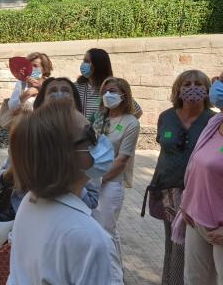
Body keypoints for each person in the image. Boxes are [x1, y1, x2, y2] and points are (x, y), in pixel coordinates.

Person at [7, 99, 122, 284]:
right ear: (64, 154)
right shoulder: (91, 241)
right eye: (90, 134)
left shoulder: (31, 201)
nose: (100, 138)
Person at [149, 70, 214, 285]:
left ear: (207, 90)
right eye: (187, 84)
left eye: (198, 83)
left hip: (199, 193)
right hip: (168, 189)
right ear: (178, 89)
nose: (192, 87)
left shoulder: (213, 121)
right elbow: (163, 147)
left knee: (188, 247)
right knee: (172, 243)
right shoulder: (166, 117)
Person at [0, 77, 99, 212]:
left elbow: (92, 201)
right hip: (23, 215)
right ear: (40, 104)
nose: (59, 94)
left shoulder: (87, 141)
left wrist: (73, 178)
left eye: (65, 90)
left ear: (76, 105)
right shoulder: (27, 134)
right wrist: (13, 173)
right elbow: (1, 179)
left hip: (64, 221)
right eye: (52, 91)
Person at [176, 74, 223, 284]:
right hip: (196, 218)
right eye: (219, 80)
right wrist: (187, 203)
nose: (217, 86)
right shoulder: (215, 122)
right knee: (195, 279)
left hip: (220, 229)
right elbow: (197, 167)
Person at [91, 77, 140, 265]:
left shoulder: (130, 122)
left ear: (123, 95)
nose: (107, 95)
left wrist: (99, 179)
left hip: (110, 183)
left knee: (107, 230)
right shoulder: (99, 118)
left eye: (112, 91)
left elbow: (122, 159)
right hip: (93, 180)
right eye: (105, 91)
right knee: (95, 228)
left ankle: (115, 273)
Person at [75, 48, 142, 121]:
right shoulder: (76, 87)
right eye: (83, 61)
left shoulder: (110, 89)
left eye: (87, 61)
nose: (83, 64)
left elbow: (137, 112)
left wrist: (118, 128)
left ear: (98, 65)